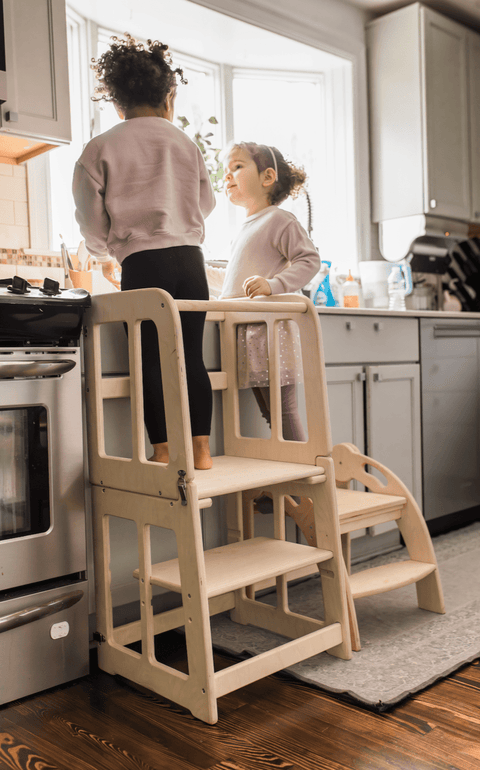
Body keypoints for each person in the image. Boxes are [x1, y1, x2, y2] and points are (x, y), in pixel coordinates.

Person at [72, 34, 215, 469]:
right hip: (191, 262)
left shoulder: (100, 147)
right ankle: (204, 451)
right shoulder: (185, 143)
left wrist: (108, 249)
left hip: (144, 264)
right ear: (167, 97)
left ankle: (165, 451)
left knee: (150, 358)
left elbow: (90, 218)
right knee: (191, 354)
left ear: (116, 102)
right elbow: (205, 202)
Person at [220, 141, 320, 441]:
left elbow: (309, 260)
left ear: (267, 178)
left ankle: (303, 481)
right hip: (250, 330)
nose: (228, 176)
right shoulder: (245, 227)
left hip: (271, 331)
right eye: (226, 170)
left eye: (237, 167)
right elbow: (236, 278)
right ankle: (288, 479)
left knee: (283, 409)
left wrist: (274, 285)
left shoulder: (279, 219)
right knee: (270, 411)